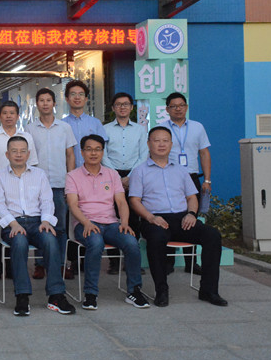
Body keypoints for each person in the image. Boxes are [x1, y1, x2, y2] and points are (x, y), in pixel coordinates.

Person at [128, 126, 227, 308]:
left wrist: (191, 214)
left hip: (182, 218)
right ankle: (161, 290)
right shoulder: (139, 171)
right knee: (157, 238)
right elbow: (134, 201)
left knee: (212, 235)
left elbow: (191, 197)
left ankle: (208, 290)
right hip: (155, 219)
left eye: (165, 140)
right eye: (157, 140)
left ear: (171, 144)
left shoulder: (181, 170)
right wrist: (151, 218)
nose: (161, 144)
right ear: (149, 144)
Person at [0, 136, 76, 317]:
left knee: (51, 241)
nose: (19, 154)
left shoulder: (39, 174)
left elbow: (47, 201)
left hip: (38, 222)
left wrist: (46, 221)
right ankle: (22, 296)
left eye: (23, 151)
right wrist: (13, 223)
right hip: (13, 224)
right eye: (14, 151)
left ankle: (56, 295)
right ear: (7, 154)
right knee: (19, 242)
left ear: (29, 154)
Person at [66, 134, 149, 310]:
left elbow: (121, 202)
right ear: (82, 152)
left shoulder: (112, 174)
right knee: (96, 243)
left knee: (131, 242)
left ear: (103, 152)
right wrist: (86, 223)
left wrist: (124, 222)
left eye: (98, 149)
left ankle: (134, 291)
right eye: (89, 149)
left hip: (111, 224)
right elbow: (73, 205)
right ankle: (90, 294)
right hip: (85, 223)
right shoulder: (73, 176)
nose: (93, 153)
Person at [0, 100, 37, 283]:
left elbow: (32, 163)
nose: (8, 116)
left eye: (12, 113)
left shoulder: (26, 137)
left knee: (15, 228)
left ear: (18, 116)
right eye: (5, 113)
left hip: (20, 190)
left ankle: (13, 269)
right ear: (0, 116)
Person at [25, 88, 76, 280]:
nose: (45, 103)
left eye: (48, 100)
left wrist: (70, 182)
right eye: (41, 100)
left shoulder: (65, 128)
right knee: (39, 225)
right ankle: (40, 264)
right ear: (37, 104)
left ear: (54, 103)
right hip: (36, 186)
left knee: (60, 227)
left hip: (59, 184)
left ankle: (61, 264)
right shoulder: (29, 129)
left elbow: (70, 155)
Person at [165, 91, 212, 275]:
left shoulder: (197, 127)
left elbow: (204, 153)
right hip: (169, 177)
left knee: (191, 217)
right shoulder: (162, 128)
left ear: (186, 107)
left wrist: (207, 179)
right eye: (174, 106)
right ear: (167, 109)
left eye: (181, 105)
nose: (178, 109)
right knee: (170, 217)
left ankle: (191, 263)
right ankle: (168, 261)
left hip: (192, 177)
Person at [102, 92, 147, 274]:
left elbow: (144, 155)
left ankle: (131, 262)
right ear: (113, 108)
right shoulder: (105, 129)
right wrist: (116, 176)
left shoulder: (140, 130)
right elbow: (103, 154)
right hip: (110, 174)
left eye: (126, 104)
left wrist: (129, 176)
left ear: (131, 107)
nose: (122, 107)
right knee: (112, 217)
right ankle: (113, 262)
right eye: (118, 104)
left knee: (134, 218)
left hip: (134, 175)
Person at [62, 80, 108, 169]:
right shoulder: (61, 124)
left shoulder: (96, 123)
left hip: (92, 172)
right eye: (73, 94)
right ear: (67, 99)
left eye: (81, 94)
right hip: (68, 172)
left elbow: (103, 151)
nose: (77, 97)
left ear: (86, 99)